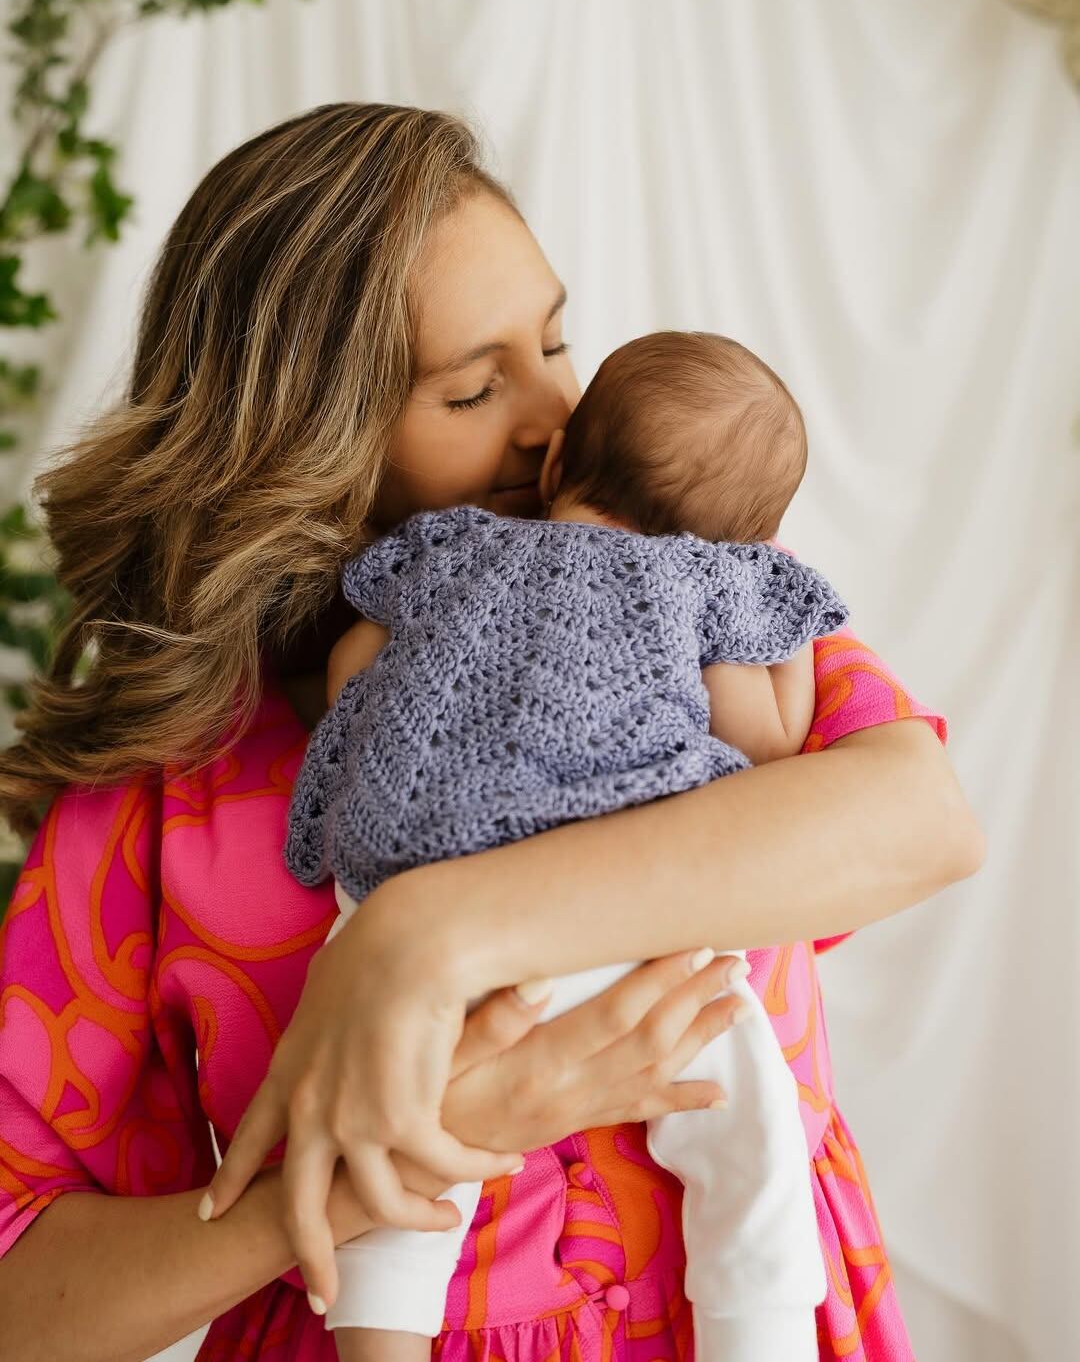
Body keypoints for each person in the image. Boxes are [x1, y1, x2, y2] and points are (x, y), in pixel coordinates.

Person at [0, 103, 983, 1362]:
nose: (558, 414)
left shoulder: (688, 584)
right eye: (471, 386)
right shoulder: (165, 786)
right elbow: (18, 1287)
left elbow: (923, 819)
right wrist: (379, 1167)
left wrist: (417, 934)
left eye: (557, 340)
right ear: (303, 441)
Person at [289, 329, 849, 1362]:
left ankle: (376, 1337)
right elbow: (766, 744)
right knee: (747, 1140)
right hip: (614, 920)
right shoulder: (695, 586)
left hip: (411, 913)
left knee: (404, 1144)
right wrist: (786, 641)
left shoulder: (457, 547)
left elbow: (352, 665)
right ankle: (758, 1335)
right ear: (742, 546)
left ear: (556, 466)